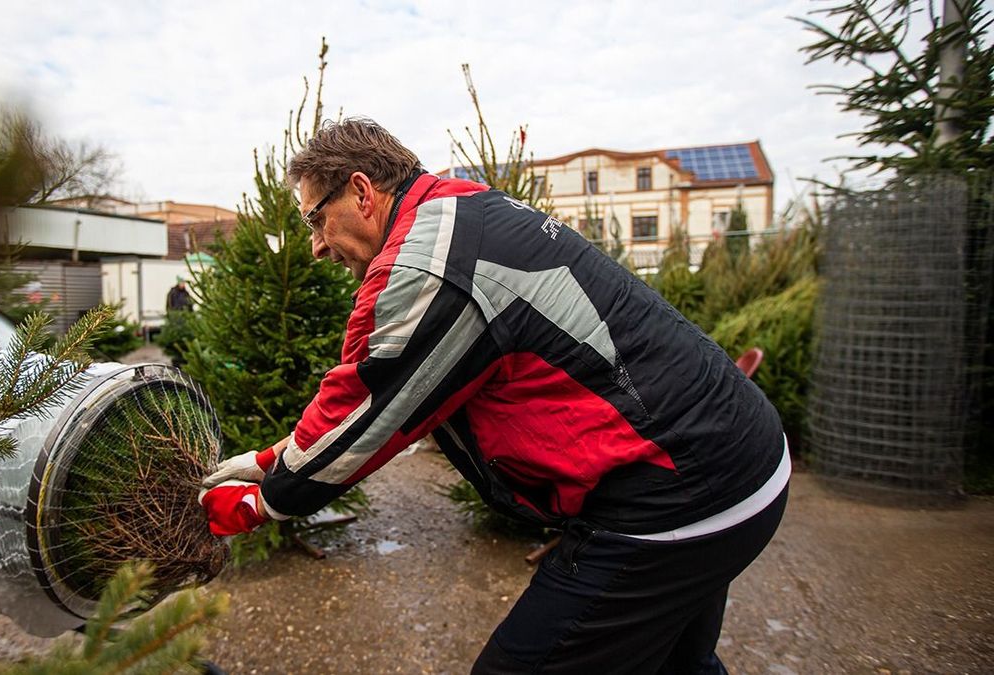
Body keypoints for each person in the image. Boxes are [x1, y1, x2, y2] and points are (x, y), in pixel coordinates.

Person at [199, 118, 788, 674]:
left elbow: (367, 408)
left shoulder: (423, 265)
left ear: (360, 192)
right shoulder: (462, 207)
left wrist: (262, 500)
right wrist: (268, 460)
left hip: (678, 497)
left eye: (313, 220)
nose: (316, 248)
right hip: (737, 458)